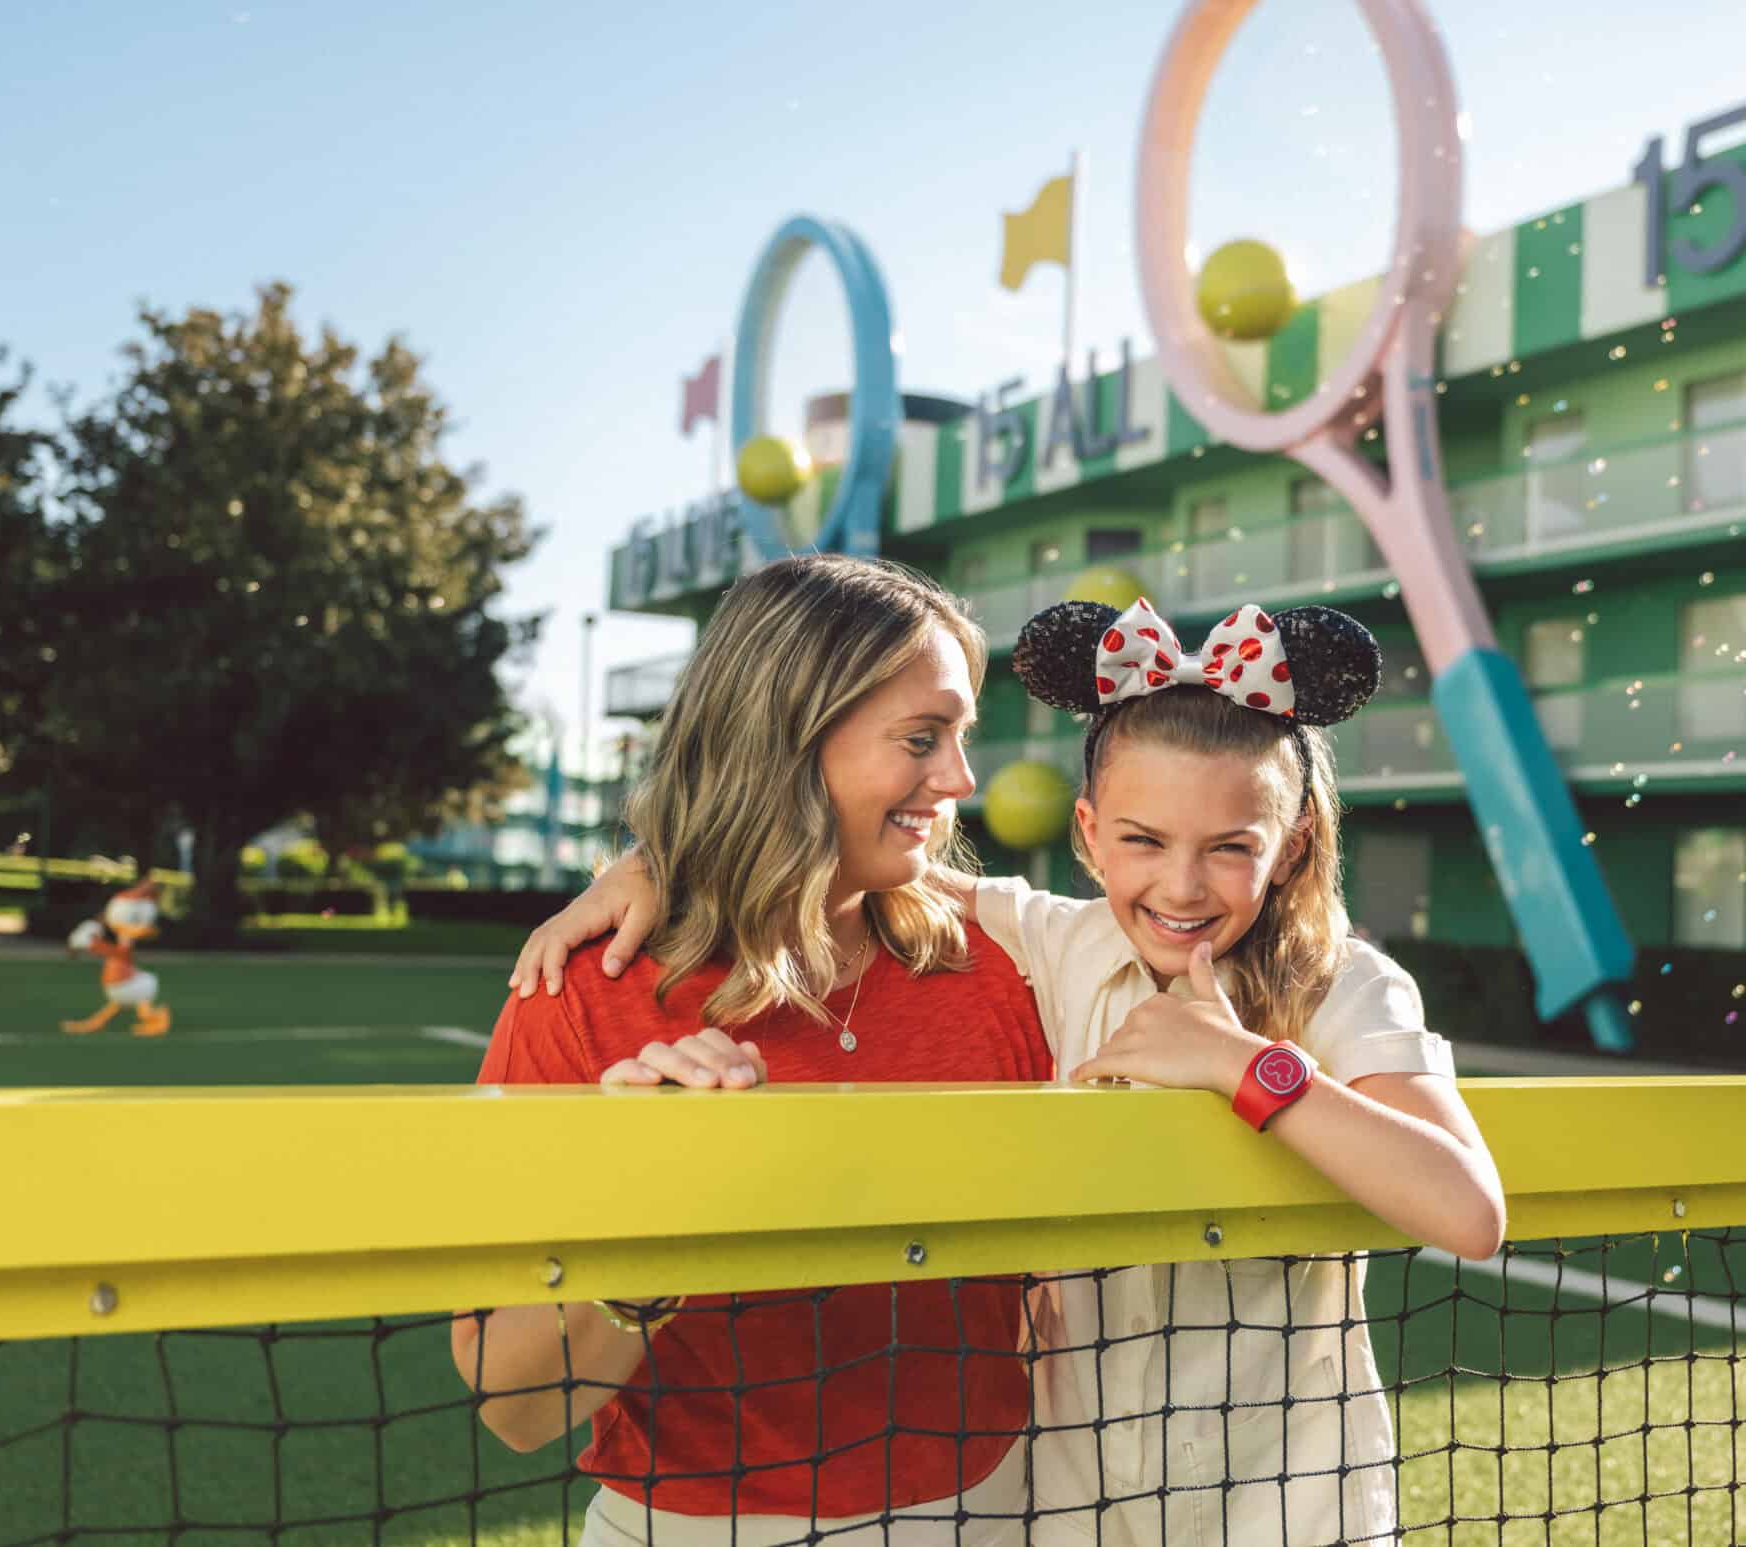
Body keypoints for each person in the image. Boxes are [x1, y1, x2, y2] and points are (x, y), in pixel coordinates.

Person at [516, 594, 1506, 1547]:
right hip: (1071, 1517)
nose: (1182, 884)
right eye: (1142, 840)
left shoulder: (1343, 984)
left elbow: (1466, 1210)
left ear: (1290, 850)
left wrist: (1243, 1067)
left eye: (1231, 847)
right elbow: (817, 847)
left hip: (1291, 1514)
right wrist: (648, 866)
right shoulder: (1055, 946)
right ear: (1087, 834)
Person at [455, 554, 1052, 1547]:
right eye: (921, 738)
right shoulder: (583, 995)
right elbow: (514, 1409)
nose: (959, 779)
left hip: (1011, 1515)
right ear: (784, 742)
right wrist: (653, 1226)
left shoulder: (1010, 962)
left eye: (959, 737)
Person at [62, 877, 171, 1036]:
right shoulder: (124, 923)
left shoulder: (131, 929)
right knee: (119, 1001)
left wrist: (92, 945)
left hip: (128, 982)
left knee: (136, 1003)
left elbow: (122, 951)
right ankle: (95, 1023)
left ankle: (160, 1018)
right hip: (124, 981)